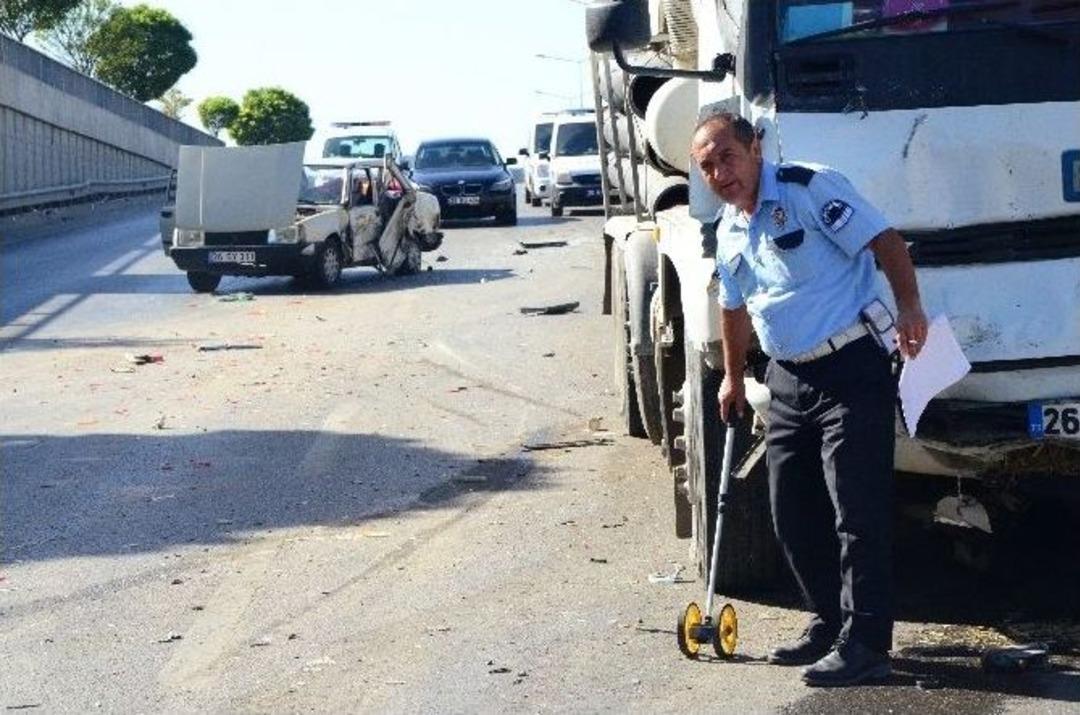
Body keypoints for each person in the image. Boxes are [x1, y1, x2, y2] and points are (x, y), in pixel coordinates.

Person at [690, 112, 928, 687]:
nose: (722, 173)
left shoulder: (807, 187)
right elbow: (733, 304)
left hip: (851, 369)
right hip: (788, 379)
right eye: (708, 166)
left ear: (755, 147)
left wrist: (912, 307)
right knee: (790, 510)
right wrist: (730, 376)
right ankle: (827, 622)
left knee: (856, 511)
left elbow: (884, 241)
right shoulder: (727, 228)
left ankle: (867, 643)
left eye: (729, 156)